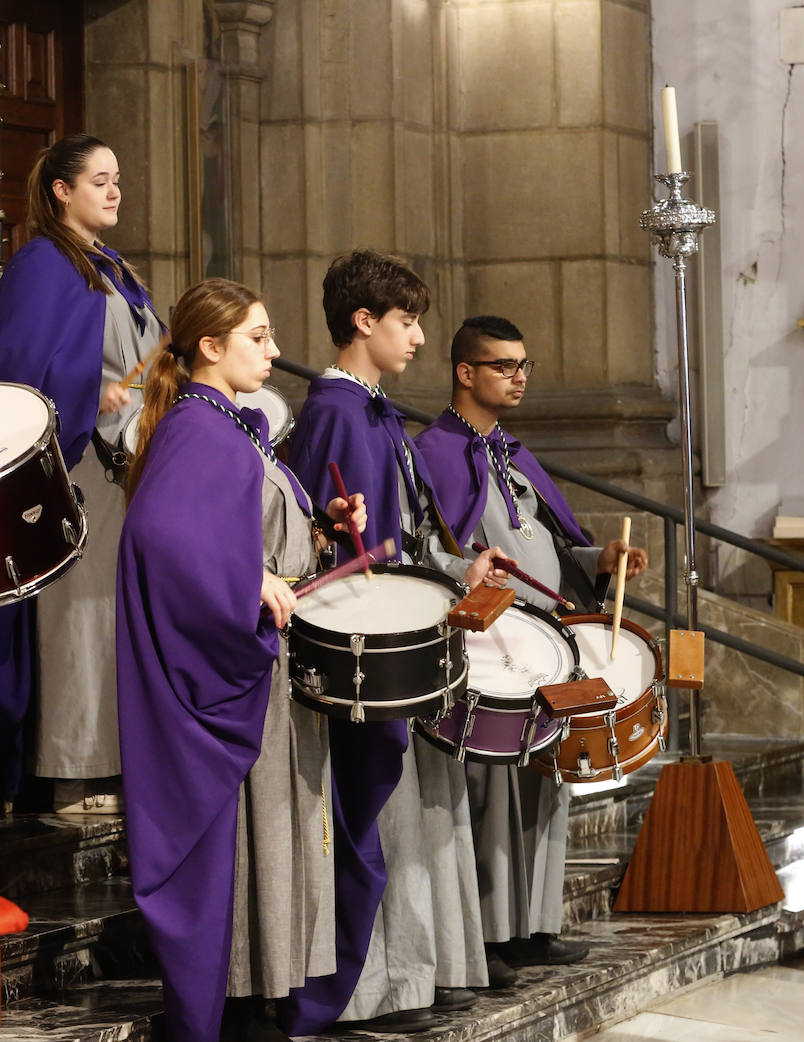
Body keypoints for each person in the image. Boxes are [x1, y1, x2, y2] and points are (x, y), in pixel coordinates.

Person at [116, 277, 364, 1042]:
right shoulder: (200, 425)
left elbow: (235, 526)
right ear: (211, 346)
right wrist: (247, 579)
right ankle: (238, 1003)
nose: (276, 350)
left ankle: (261, 994)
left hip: (264, 661)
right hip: (234, 668)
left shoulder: (231, 423)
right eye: (259, 336)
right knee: (253, 836)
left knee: (276, 835)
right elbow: (162, 539)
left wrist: (316, 530)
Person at [280, 249, 505, 1032]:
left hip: (388, 637)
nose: (417, 339)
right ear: (363, 322)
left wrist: (454, 565)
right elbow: (315, 537)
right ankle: (345, 992)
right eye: (405, 322)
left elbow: (399, 530)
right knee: (355, 822)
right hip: (355, 652)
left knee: (378, 820)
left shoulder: (375, 408)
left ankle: (380, 984)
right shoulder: (339, 411)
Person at [413, 313, 648, 973]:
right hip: (493, 649)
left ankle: (536, 926)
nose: (518, 378)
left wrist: (598, 560)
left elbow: (543, 543)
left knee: (547, 786)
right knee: (492, 792)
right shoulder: (434, 452)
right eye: (502, 366)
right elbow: (430, 548)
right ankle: (492, 935)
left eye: (523, 366)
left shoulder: (512, 451)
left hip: (551, 642)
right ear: (465, 372)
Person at [0, 134, 163, 812]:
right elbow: (12, 378)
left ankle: (118, 762)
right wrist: (91, 394)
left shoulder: (114, 268)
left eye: (117, 180)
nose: (114, 191)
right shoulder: (42, 266)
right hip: (75, 469)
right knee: (78, 622)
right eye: (100, 181)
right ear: (61, 191)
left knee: (117, 623)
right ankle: (73, 770)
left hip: (131, 472)